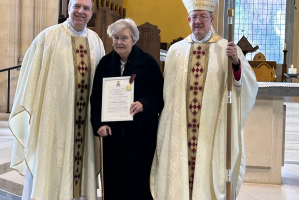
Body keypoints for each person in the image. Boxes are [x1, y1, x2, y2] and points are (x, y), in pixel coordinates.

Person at [150, 0, 258, 200]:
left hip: (210, 130)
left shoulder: (227, 48)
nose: (198, 21)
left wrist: (236, 62)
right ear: (188, 20)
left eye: (203, 17)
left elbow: (246, 85)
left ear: (211, 19)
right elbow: (168, 94)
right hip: (181, 128)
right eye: (194, 17)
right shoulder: (176, 50)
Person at [9, 0, 105, 199]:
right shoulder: (48, 37)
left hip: (84, 122)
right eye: (76, 6)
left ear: (92, 13)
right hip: (53, 123)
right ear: (68, 8)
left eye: (86, 8)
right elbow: (31, 79)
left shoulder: (96, 40)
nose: (81, 11)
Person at [90, 18, 164, 200]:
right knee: (114, 184)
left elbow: (160, 96)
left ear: (134, 39)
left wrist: (144, 104)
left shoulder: (149, 62)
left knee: (138, 185)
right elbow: (96, 99)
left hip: (141, 136)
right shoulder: (104, 64)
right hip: (112, 136)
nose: (119, 42)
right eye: (115, 38)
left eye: (124, 38)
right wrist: (98, 124)